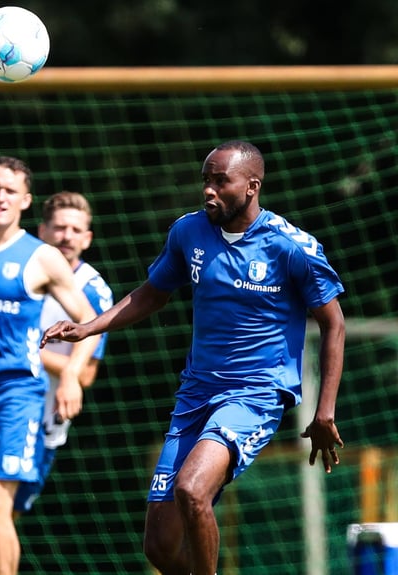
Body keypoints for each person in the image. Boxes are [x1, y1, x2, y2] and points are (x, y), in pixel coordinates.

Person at [41, 140, 346, 575]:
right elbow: (152, 293)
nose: (208, 190)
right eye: (206, 180)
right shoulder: (188, 232)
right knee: (160, 545)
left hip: (255, 394)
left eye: (221, 181)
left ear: (252, 186)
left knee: (191, 489)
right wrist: (88, 327)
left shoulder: (291, 246)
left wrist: (324, 411)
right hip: (196, 393)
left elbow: (334, 324)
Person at [0, 157, 100, 575]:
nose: (1, 197)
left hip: (18, 392)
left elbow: (89, 321)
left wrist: (71, 375)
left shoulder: (41, 257)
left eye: (10, 191)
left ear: (25, 201)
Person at [12, 191, 114, 515]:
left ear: (87, 239)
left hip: (45, 416)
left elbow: (86, 374)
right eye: (59, 228)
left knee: (6, 513)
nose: (66, 236)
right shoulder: (17, 271)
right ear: (42, 231)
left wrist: (25, 350)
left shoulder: (93, 291)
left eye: (75, 230)